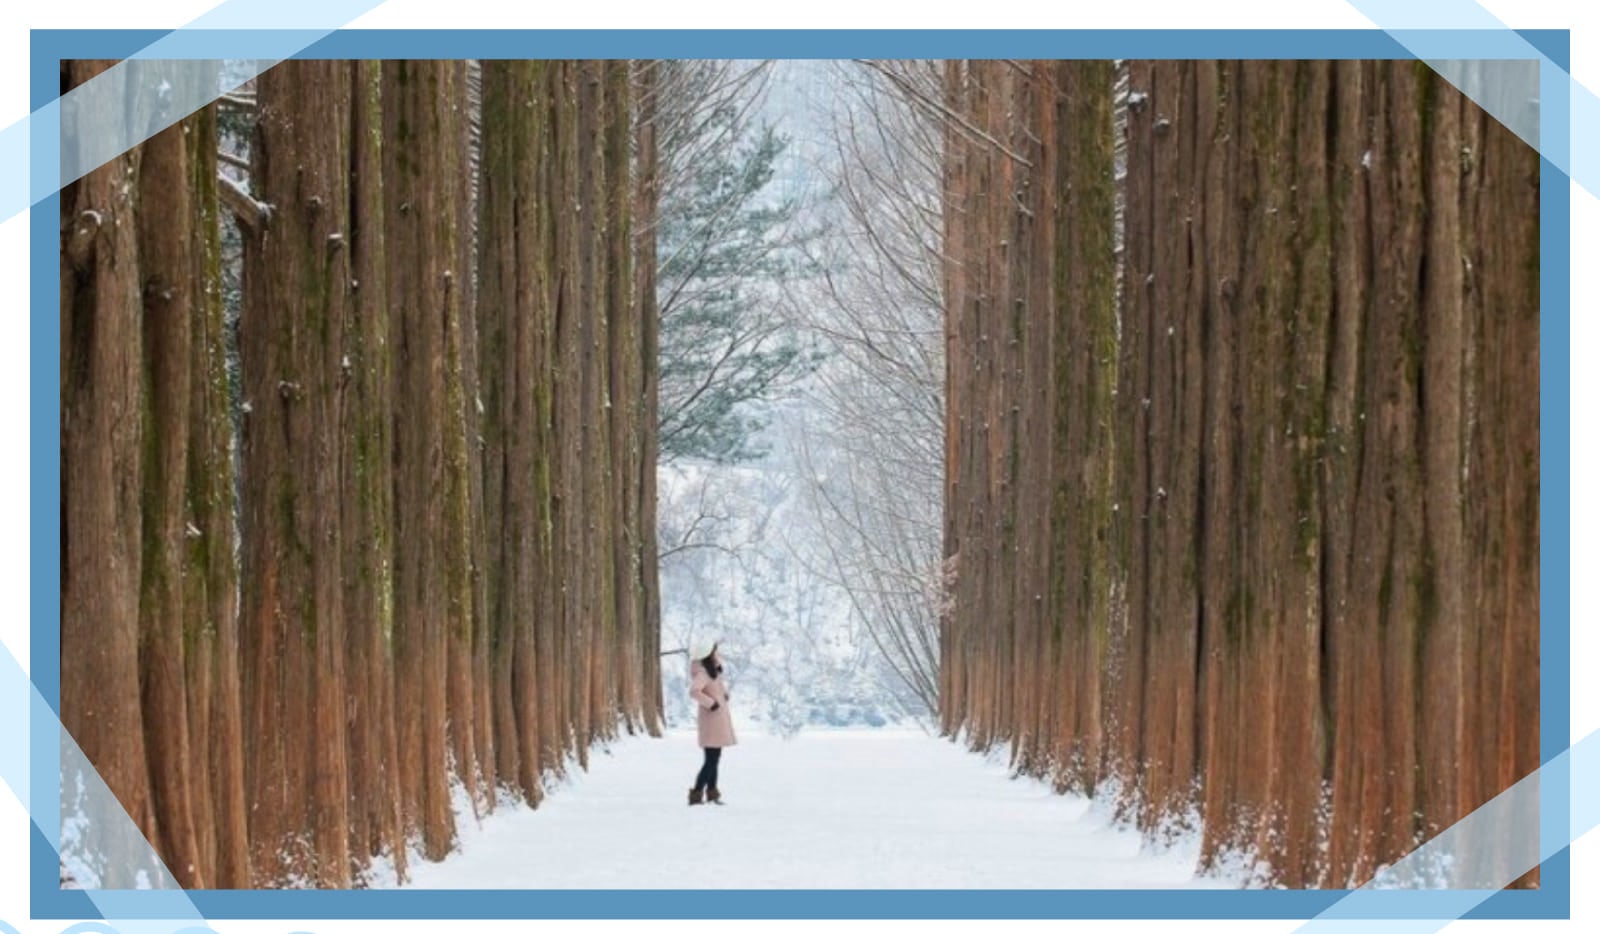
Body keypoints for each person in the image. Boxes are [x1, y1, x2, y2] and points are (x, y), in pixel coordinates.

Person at [687, 640, 736, 806]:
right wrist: (712, 703)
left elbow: (715, 688)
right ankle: (697, 793)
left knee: (714, 758)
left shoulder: (712, 670)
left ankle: (712, 793)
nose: (717, 653)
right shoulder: (703, 672)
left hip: (717, 719)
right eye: (714, 651)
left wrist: (724, 695)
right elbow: (694, 691)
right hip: (711, 719)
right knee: (711, 759)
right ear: (708, 654)